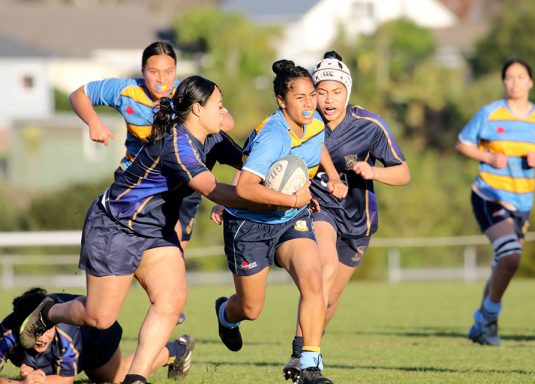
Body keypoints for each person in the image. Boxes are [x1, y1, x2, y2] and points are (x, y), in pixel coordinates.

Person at [19, 75, 252, 384]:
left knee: (172, 298)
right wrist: (276, 201)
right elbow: (216, 191)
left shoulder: (215, 139)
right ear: (197, 109)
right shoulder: (176, 144)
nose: (225, 113)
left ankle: (136, 378)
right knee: (99, 318)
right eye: (219, 106)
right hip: (115, 228)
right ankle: (50, 312)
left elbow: (251, 165)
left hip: (155, 234)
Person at [214, 59, 347, 384]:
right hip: (250, 226)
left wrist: (329, 176)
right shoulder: (272, 136)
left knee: (314, 284)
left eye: (311, 95)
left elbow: (318, 147)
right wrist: (292, 197)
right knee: (250, 309)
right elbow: (245, 187)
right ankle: (224, 315)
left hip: (291, 220)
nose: (309, 103)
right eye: (299, 97)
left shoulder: (314, 122)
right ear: (281, 100)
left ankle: (310, 367)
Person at [281, 51, 411, 382]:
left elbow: (403, 173)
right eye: (321, 91)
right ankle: (303, 355)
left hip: (358, 220)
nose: (328, 99)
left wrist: (374, 173)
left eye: (336, 91)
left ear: (347, 93)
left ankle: (308, 352)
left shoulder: (369, 125)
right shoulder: (302, 120)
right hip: (318, 208)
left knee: (331, 296)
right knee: (321, 271)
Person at [69, 41, 235, 250]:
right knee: (164, 241)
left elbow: (226, 121)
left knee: (176, 251)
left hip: (185, 180)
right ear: (142, 71)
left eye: (169, 72)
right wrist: (94, 123)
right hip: (140, 181)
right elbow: (78, 94)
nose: (161, 79)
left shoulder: (185, 95)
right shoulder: (126, 90)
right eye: (153, 71)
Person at [456, 58, 535, 346]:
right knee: (511, 256)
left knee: (503, 261)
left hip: (522, 201)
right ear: (504, 82)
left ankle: (484, 326)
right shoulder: (490, 113)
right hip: (489, 195)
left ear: (530, 82)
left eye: (521, 77)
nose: (515, 82)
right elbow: (462, 142)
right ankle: (488, 315)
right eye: (509, 77)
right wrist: (488, 157)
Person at [1, 288, 193, 384]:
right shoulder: (6, 334)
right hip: (69, 344)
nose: (42, 337)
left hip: (96, 336)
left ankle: (178, 349)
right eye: (36, 331)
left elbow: (65, 379)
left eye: (47, 329)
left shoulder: (66, 330)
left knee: (116, 376)